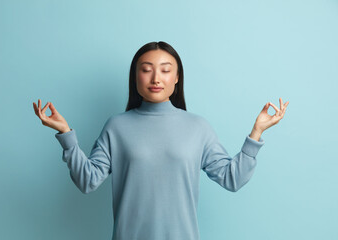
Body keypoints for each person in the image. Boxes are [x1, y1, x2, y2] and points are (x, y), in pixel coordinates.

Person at [33, 41, 289, 240]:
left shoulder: (197, 127)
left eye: (165, 70)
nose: (156, 78)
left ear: (176, 78)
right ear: (136, 77)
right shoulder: (117, 126)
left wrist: (256, 133)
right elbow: (88, 180)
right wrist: (66, 134)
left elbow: (232, 178)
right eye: (146, 70)